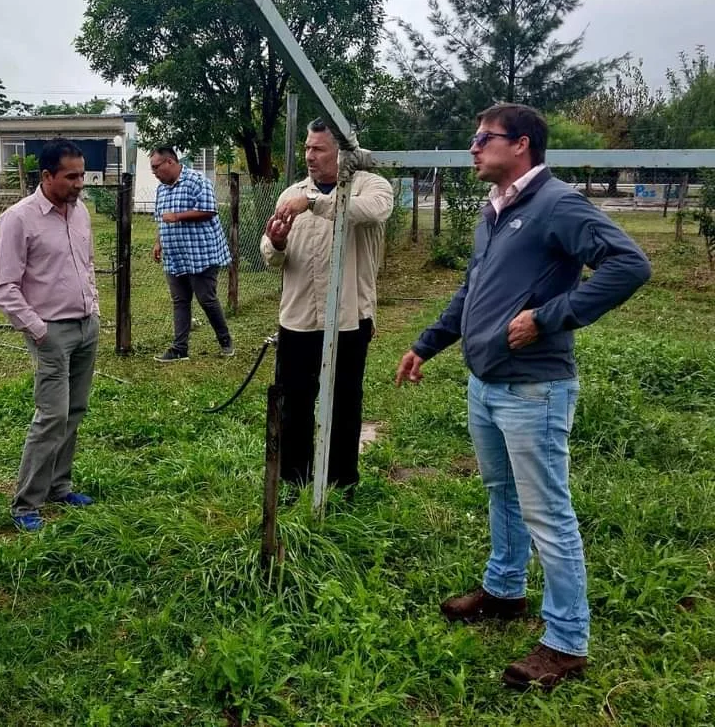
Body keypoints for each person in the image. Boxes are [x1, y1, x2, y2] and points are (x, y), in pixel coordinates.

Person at [396, 103, 651, 691]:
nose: (473, 147)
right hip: (487, 384)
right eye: (474, 135)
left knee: (547, 513)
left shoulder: (556, 204)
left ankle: (566, 641)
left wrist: (551, 316)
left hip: (534, 388)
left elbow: (629, 265)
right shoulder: (495, 211)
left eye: (484, 138)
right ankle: (505, 590)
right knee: (501, 494)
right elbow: (473, 289)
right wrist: (428, 344)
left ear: (523, 145)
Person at [261, 118, 394, 497]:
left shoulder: (371, 185)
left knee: (344, 405)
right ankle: (294, 481)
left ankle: (342, 484)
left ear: (342, 152)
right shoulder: (292, 193)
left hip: (349, 319)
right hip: (298, 318)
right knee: (295, 404)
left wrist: (315, 202)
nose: (309, 156)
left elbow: (370, 212)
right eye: (306, 147)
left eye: (318, 149)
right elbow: (270, 257)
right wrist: (278, 242)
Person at [0, 139, 100, 532]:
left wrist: (95, 309)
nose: (79, 183)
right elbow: (3, 286)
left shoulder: (80, 212)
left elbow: (86, 266)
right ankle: (26, 504)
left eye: (82, 175)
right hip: (50, 331)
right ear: (47, 176)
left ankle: (59, 485)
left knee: (75, 410)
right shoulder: (19, 219)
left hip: (86, 327)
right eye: (71, 176)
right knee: (51, 415)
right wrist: (39, 330)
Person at [149, 147, 234, 362]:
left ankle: (225, 341)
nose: (154, 172)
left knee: (206, 299)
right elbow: (161, 219)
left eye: (156, 167)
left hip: (200, 254)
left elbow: (209, 210)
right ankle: (180, 349)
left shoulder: (197, 180)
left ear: (169, 162)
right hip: (175, 256)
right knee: (180, 300)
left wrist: (177, 217)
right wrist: (158, 242)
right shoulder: (162, 189)